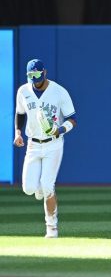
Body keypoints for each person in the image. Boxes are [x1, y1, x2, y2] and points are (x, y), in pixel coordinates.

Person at [13, 59, 77, 238]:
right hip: (33, 144)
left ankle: (52, 228)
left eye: (37, 75)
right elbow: (20, 114)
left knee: (48, 186)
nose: (35, 80)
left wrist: (61, 129)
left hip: (53, 144)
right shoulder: (23, 91)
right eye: (31, 76)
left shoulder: (58, 91)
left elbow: (72, 119)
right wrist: (18, 133)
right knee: (28, 188)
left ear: (45, 72)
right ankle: (40, 187)